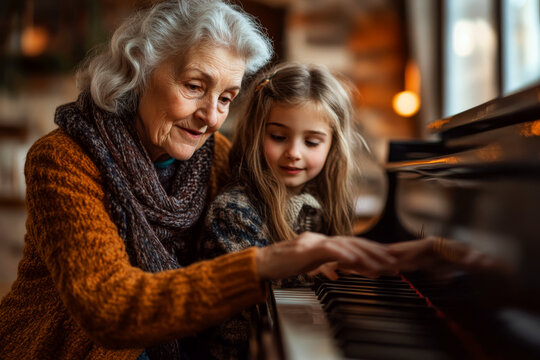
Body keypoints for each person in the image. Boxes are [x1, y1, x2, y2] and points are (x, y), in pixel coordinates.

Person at [0, 1, 397, 359]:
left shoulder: (216, 156)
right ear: (139, 72)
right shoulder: (63, 158)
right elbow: (110, 307)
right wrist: (262, 265)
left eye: (226, 97)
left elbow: (267, 223)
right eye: (194, 86)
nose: (211, 117)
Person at [197, 62, 385, 359]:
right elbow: (254, 297)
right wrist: (314, 270)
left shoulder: (317, 204)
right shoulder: (234, 209)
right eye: (279, 137)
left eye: (311, 141)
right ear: (256, 133)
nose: (294, 152)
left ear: (332, 146)